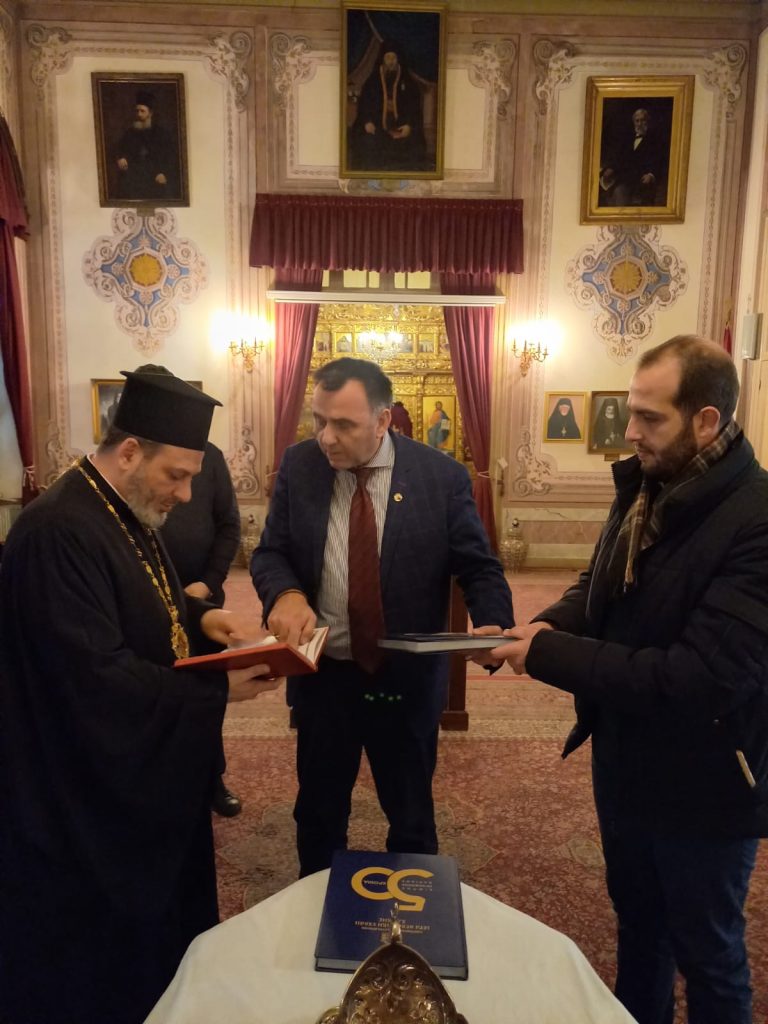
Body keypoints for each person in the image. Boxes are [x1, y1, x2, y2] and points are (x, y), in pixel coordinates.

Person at [491, 335, 768, 1024]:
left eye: (649, 417)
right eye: (630, 411)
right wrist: (541, 627)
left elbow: (698, 679)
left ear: (706, 421)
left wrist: (547, 655)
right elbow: (603, 586)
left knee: (708, 956)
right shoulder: (650, 484)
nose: (630, 432)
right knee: (640, 935)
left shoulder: (758, 520)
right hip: (628, 764)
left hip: (708, 784)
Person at [0, 369, 277, 1024]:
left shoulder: (119, 508)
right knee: (100, 974)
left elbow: (141, 600)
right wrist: (215, 688)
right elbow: (92, 682)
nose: (186, 494)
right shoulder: (57, 531)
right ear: (129, 452)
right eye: (176, 476)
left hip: (125, 787)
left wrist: (202, 618)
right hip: (77, 808)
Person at [251, 357, 513, 877]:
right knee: (319, 812)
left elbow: (478, 565)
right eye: (318, 420)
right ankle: (315, 902)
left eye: (343, 424)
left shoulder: (440, 477)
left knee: (411, 816)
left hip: (405, 679)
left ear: (383, 420)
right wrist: (285, 595)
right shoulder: (300, 466)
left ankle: (413, 914)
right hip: (325, 676)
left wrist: (492, 623)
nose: (326, 437)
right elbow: (270, 553)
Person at [134, 365, 244, 818]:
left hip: (201, 602)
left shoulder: (209, 458)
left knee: (201, 701)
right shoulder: (76, 520)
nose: (184, 494)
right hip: (149, 606)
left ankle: (209, 778)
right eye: (176, 476)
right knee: (158, 693)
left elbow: (229, 526)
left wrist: (205, 590)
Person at [348, 42, 427, 173]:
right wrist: (367, 122)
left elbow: (414, 109)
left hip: (401, 125)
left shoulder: (409, 82)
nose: (391, 61)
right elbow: (364, 105)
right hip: (377, 126)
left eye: (393, 58)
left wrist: (408, 126)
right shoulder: (372, 81)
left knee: (413, 145)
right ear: (383, 59)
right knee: (366, 142)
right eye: (388, 57)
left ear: (398, 59)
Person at [115, 89, 178, 201]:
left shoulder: (162, 134)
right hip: (133, 182)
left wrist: (164, 173)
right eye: (137, 111)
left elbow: (172, 157)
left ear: (150, 113)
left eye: (142, 111)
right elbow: (118, 149)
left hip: (155, 182)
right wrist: (120, 158)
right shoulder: (129, 133)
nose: (138, 114)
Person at [600, 107, 668, 208]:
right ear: (634, 123)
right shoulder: (628, 138)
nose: (639, 124)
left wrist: (651, 175)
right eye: (637, 121)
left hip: (642, 181)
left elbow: (659, 162)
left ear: (648, 122)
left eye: (643, 120)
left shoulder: (655, 140)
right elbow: (619, 157)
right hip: (624, 179)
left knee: (622, 196)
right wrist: (611, 168)